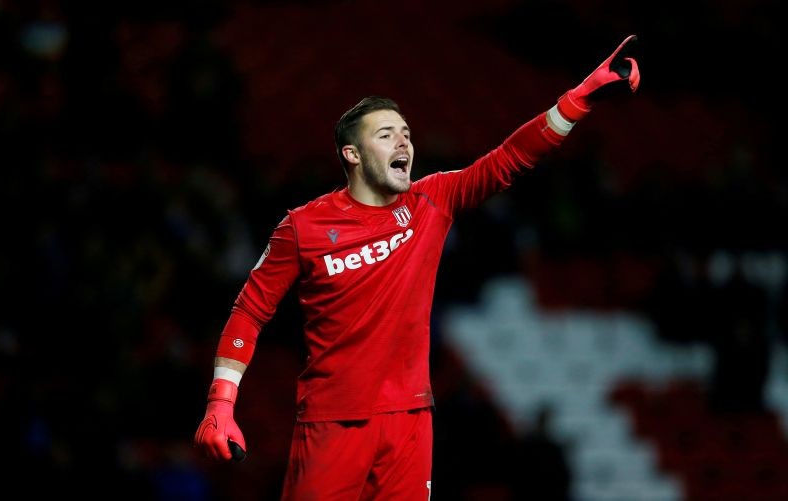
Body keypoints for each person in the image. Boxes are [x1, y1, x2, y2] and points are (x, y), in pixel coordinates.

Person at [193, 35, 641, 500]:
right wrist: (221, 403)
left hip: (410, 422)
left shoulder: (432, 201)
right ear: (353, 155)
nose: (404, 140)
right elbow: (249, 311)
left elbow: (510, 159)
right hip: (332, 422)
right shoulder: (302, 227)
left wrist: (576, 101)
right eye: (386, 134)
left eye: (406, 133)